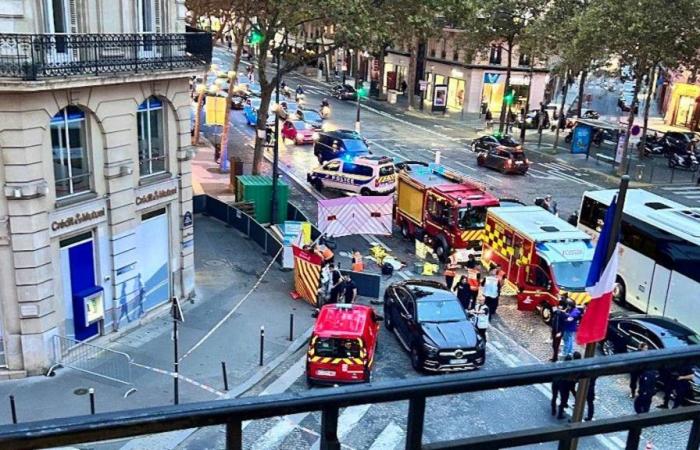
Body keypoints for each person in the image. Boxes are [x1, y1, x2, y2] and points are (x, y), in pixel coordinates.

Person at [572, 352, 596, 421]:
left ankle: (577, 412)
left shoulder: (583, 368)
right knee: (590, 402)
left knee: (581, 399)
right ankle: (590, 416)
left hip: (584, 387)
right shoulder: (595, 372)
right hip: (591, 388)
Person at [551, 355, 575, 419]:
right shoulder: (570, 368)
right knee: (563, 399)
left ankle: (553, 410)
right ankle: (560, 414)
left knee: (554, 396)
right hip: (563, 384)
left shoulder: (559, 364)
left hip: (555, 381)